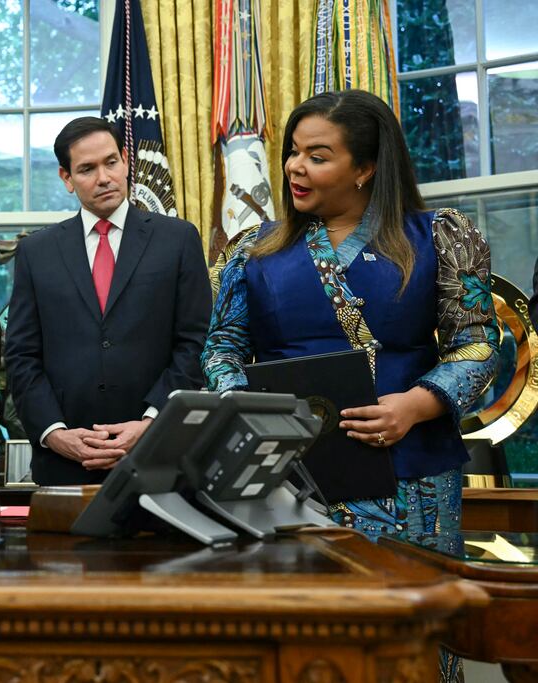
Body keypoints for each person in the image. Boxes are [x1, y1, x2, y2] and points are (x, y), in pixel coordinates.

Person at [201, 91, 498, 678]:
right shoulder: (252, 250)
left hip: (412, 472)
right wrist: (247, 408)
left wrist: (416, 405)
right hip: (292, 477)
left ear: (365, 168)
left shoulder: (442, 235)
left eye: (317, 155)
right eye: (292, 153)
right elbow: (221, 349)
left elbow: (479, 344)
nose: (294, 167)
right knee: (300, 643)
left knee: (413, 644)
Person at [5, 116, 212, 486]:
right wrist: (54, 433)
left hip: (159, 457)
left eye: (111, 162)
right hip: (65, 463)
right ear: (66, 179)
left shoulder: (177, 240)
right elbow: (22, 356)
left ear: (126, 160)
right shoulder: (37, 252)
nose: (104, 177)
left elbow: (194, 342)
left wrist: (152, 421)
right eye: (87, 169)